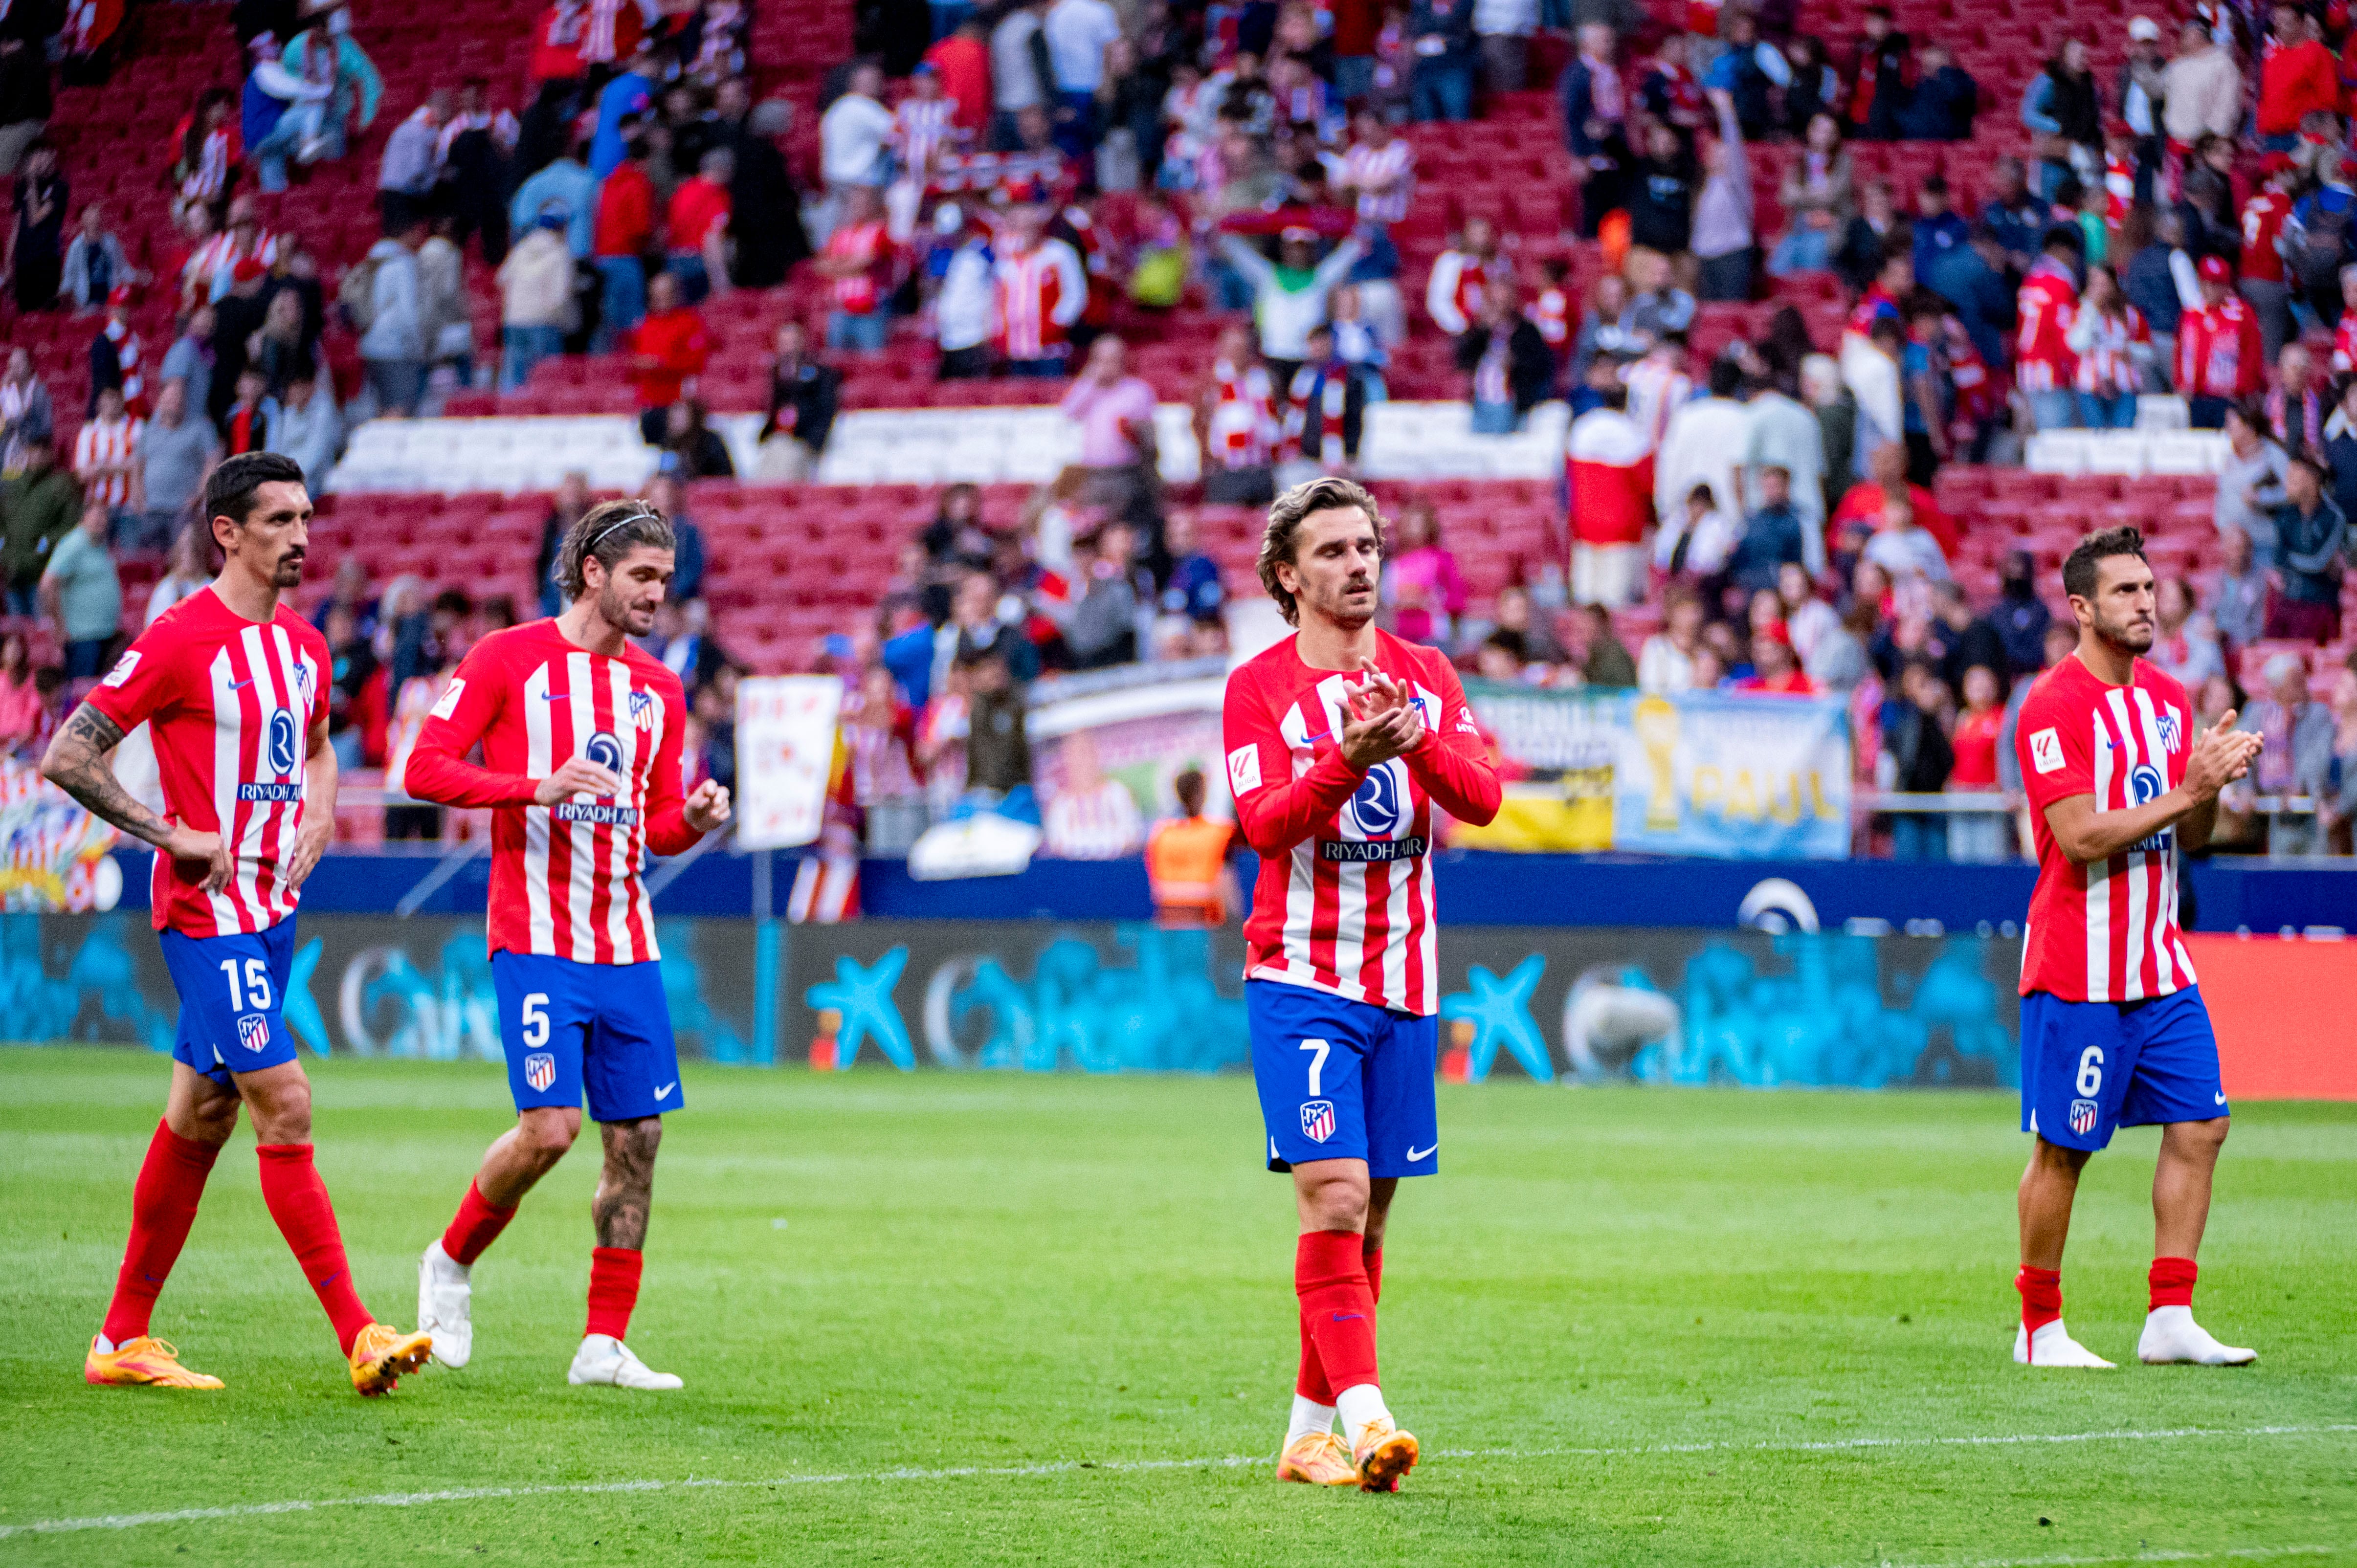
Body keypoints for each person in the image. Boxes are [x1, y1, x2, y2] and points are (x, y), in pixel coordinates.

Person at [42, 453, 436, 1396]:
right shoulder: (180, 639)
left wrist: (324, 808)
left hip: (274, 911)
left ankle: (120, 1339)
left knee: (203, 1111)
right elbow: (69, 753)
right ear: (228, 531)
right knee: (286, 1101)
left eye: (306, 518)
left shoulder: (304, 645)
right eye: (280, 521)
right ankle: (361, 1333)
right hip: (205, 913)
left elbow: (320, 747)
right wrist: (168, 831)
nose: (302, 537)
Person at [405, 498, 733, 1391]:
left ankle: (603, 1343)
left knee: (639, 1138)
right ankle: (450, 1261)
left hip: (626, 941)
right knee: (550, 1130)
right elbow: (422, 766)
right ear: (593, 569)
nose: (658, 595)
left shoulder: (658, 688)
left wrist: (694, 819)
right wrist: (533, 786)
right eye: (643, 576)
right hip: (537, 938)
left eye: (666, 579)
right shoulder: (507, 658)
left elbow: (658, 823)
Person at [1222, 475, 1500, 1491]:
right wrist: (1346, 758)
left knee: (1370, 1215)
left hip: (1407, 981)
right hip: (1300, 976)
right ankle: (1370, 1413)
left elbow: (1486, 795)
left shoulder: (1426, 673)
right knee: (1332, 1196)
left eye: (1368, 547)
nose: (1359, 566)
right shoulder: (1256, 688)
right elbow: (1265, 824)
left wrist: (1416, 738)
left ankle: (1306, 1434)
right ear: (1288, 577)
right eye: (1334, 551)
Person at [2008, 525, 2263, 1369]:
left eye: (2150, 588)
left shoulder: (2164, 699)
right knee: (2066, 1148)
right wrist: (2188, 787)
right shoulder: (2051, 705)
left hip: (2160, 961)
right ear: (2082, 608)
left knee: (2204, 1123)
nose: (2146, 602)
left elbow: (2190, 827)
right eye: (2125, 591)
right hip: (2080, 966)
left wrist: (2209, 787)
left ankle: (2169, 1316)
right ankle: (2039, 1327)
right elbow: (2081, 837)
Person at [1565, 383, 1653, 607]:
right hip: (1621, 529)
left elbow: (1569, 479)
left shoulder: (1582, 429)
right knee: (1614, 603)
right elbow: (1647, 484)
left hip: (1584, 526)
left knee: (1584, 600)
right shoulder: (1634, 435)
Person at [2265, 451, 2345, 643]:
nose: (2287, 484)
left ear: (2312, 480)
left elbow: (2320, 563)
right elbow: (2277, 561)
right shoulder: (2285, 516)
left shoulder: (2333, 518)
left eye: (2293, 478)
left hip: (2319, 605)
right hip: (2288, 603)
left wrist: (2289, 559)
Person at [1143, 766, 1238, 926]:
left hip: (1169, 921)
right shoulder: (1219, 833)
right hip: (1209, 923)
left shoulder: (1160, 834)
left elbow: (1155, 885)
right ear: (1201, 794)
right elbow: (1226, 884)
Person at [2177, 257, 2263, 429]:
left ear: (2226, 286)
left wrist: (2242, 388)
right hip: (2196, 397)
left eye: (2216, 284)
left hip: (2229, 399)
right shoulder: (2191, 312)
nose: (2210, 290)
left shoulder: (2241, 313)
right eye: (2206, 283)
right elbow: (2180, 349)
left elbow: (2252, 355)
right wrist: (2180, 381)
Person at [497, 208, 575, 391]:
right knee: (545, 379)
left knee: (514, 378)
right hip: (544, 322)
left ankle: (510, 414)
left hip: (514, 320)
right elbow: (559, 295)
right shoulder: (559, 252)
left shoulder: (521, 248)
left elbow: (502, 279)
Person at [754, 320, 841, 482]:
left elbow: (826, 410)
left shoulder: (820, 375)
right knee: (771, 456)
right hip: (779, 439)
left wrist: (813, 442)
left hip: (805, 441)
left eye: (792, 342)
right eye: (783, 343)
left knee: (789, 459)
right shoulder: (776, 375)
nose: (788, 348)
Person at [2015, 225, 2082, 432]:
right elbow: (2065, 334)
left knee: (2041, 439)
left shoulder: (2030, 281)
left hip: (2028, 370)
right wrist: (2075, 370)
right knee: (2057, 442)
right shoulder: (2061, 284)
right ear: (2063, 251)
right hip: (2051, 372)